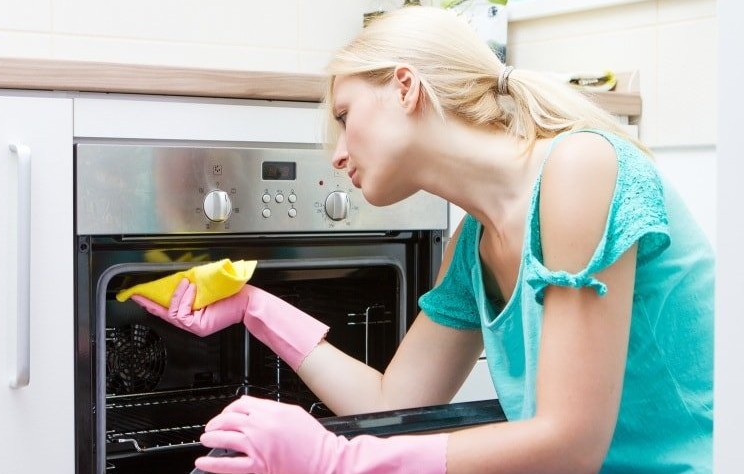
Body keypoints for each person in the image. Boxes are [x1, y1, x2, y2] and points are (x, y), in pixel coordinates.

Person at [130, 6, 714, 473]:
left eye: (344, 114)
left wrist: (337, 459)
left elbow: (572, 444)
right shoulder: (473, 246)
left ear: (405, 88)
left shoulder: (580, 169)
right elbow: (391, 404)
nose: (336, 153)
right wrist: (254, 307)